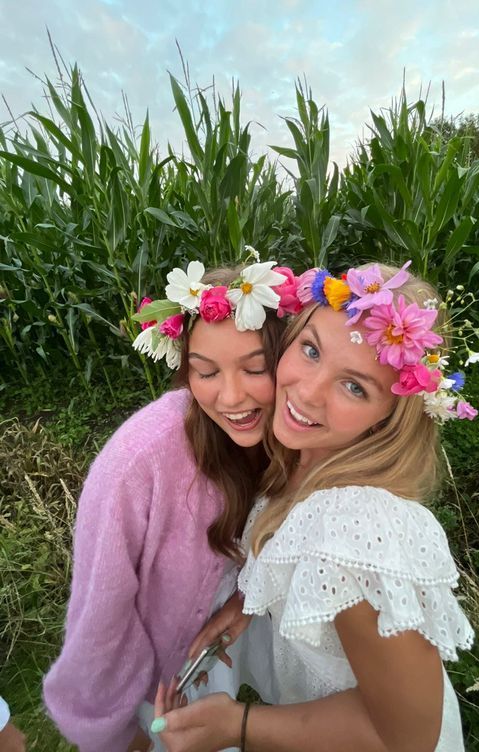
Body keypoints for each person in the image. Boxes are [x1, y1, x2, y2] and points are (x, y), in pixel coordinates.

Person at [149, 261, 479, 752]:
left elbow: (408, 738)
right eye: (310, 350)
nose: (306, 390)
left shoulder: (361, 528)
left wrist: (236, 726)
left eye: (355, 386)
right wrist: (247, 604)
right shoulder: (302, 465)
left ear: (392, 415)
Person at [43, 256, 300, 752]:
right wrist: (119, 732)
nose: (230, 396)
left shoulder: (300, 428)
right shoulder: (138, 464)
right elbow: (102, 612)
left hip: (241, 623)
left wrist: (248, 597)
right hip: (160, 670)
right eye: (205, 372)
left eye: (256, 368)